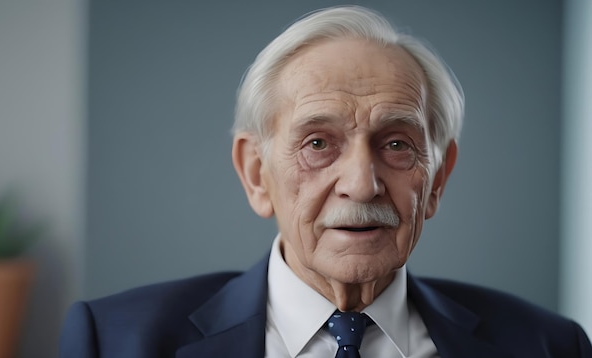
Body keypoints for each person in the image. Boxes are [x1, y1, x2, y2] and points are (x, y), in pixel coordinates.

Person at [59, 6, 591, 358]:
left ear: (438, 178)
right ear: (255, 173)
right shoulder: (113, 341)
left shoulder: (548, 346)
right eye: (318, 143)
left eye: (397, 144)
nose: (361, 185)